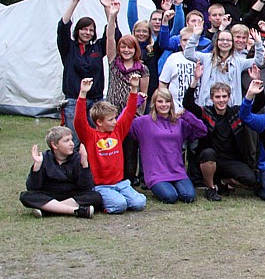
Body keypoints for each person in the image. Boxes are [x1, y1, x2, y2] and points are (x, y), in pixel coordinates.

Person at [74, 75, 147, 214]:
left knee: (139, 203)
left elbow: (129, 112)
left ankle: (118, 198)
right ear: (99, 122)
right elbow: (79, 121)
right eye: (110, 120)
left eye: (115, 118)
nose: (115, 122)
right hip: (101, 186)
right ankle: (105, 202)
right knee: (120, 205)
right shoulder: (90, 136)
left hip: (120, 183)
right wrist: (82, 94)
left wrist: (134, 88)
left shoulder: (117, 131)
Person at [183, 78, 258, 202]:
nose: (221, 100)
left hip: (231, 160)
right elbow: (188, 104)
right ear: (211, 98)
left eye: (224, 96)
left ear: (229, 98)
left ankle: (222, 182)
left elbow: (258, 105)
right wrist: (195, 81)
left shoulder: (236, 113)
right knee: (208, 153)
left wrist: (255, 88)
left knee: (250, 179)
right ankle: (210, 188)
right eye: (217, 97)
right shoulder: (206, 112)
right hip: (209, 159)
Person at [129, 88, 208, 204]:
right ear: (154, 103)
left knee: (189, 196)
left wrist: (187, 115)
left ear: (171, 103)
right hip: (156, 174)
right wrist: (137, 101)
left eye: (167, 101)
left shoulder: (179, 122)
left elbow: (202, 131)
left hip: (177, 171)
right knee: (170, 197)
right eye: (160, 101)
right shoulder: (143, 122)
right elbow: (124, 122)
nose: (164, 105)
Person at [58, 0, 115, 141]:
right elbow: (62, 27)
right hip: (74, 101)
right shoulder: (68, 48)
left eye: (91, 30)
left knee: (97, 139)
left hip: (96, 101)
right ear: (78, 30)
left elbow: (112, 35)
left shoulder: (97, 48)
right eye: (84, 29)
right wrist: (74, 2)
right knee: (75, 140)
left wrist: (108, 10)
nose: (87, 32)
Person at [20, 126, 102, 218]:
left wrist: (84, 165)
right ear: (54, 145)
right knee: (25, 196)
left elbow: (86, 188)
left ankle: (48, 210)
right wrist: (37, 166)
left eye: (71, 140)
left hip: (72, 195)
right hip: (50, 195)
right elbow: (32, 188)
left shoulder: (77, 158)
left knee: (96, 197)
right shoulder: (44, 158)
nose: (72, 144)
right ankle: (76, 211)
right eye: (66, 141)